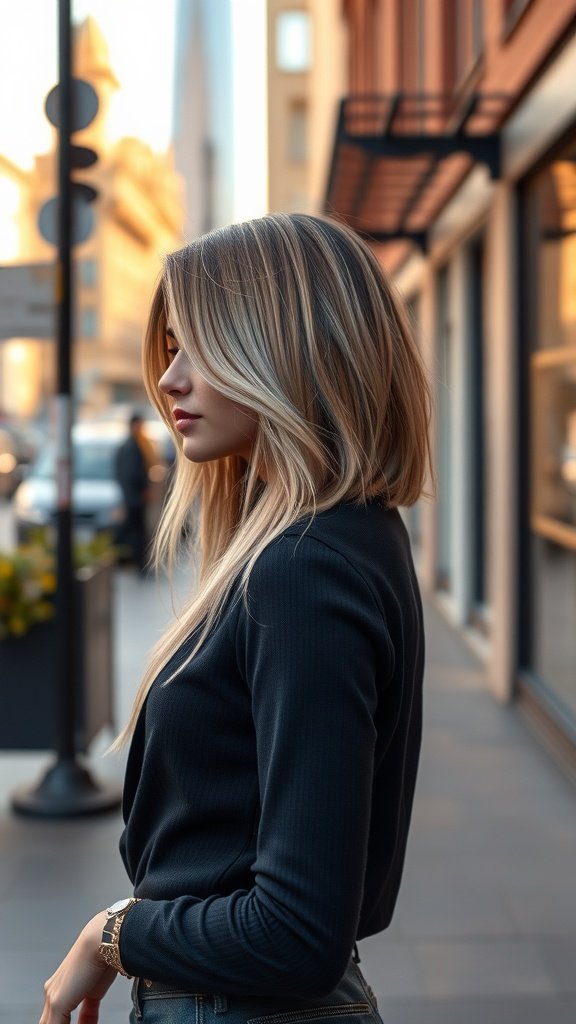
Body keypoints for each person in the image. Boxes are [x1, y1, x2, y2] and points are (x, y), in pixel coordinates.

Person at [40, 213, 432, 1024]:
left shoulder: (302, 568)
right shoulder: (345, 535)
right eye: (171, 348)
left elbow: (296, 930)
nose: (170, 379)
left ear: (285, 351)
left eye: (201, 348)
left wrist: (113, 933)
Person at [115, 413, 150, 573]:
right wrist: (143, 487)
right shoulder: (131, 447)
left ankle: (138, 562)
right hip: (134, 498)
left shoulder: (128, 445)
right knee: (136, 531)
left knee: (132, 530)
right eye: (140, 425)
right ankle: (139, 564)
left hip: (130, 496)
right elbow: (132, 474)